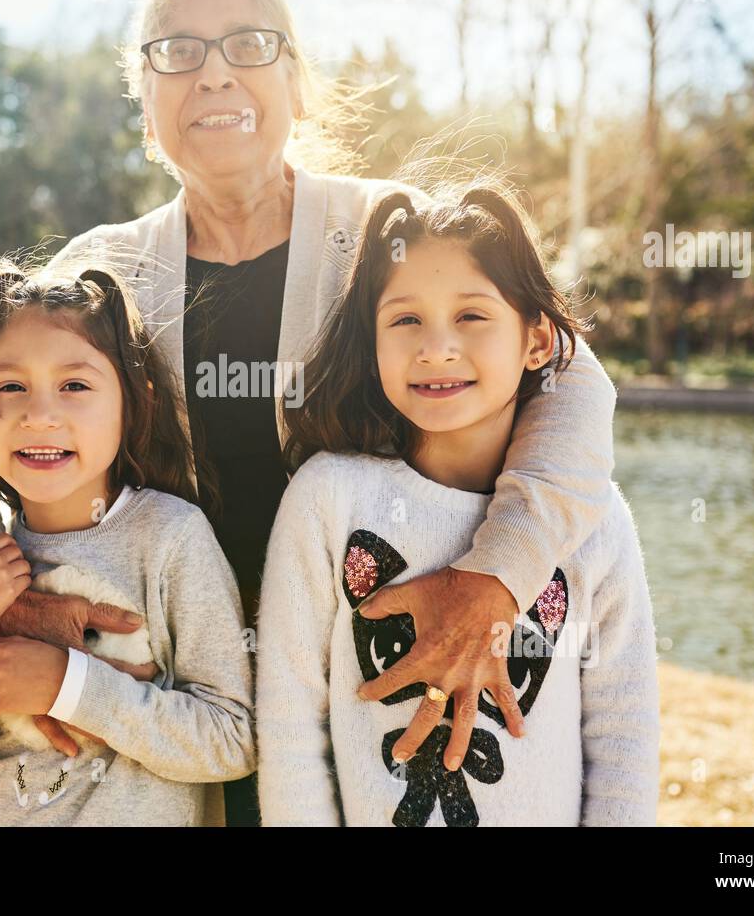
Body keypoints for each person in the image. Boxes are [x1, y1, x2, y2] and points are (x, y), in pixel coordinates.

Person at [0, 0, 619, 826]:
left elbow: (568, 371)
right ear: (144, 97)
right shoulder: (106, 270)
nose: (213, 74)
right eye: (176, 52)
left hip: (365, 679)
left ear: (298, 82)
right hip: (171, 692)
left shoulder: (388, 232)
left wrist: (497, 577)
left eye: (250, 45)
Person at [255, 181, 660, 826]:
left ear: (535, 340)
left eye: (471, 316)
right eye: (405, 319)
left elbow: (623, 735)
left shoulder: (593, 521)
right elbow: (289, 727)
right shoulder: (327, 498)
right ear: (373, 337)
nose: (436, 347)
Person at [0, 255, 254, 825]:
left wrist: (70, 686)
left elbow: (232, 740)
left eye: (74, 385)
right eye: (11, 386)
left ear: (136, 401)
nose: (40, 415)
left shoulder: (170, 539)